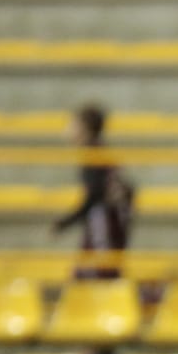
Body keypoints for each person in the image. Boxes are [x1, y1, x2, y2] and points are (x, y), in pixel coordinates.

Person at [51, 104, 133, 281]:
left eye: (72, 124)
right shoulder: (98, 151)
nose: (67, 129)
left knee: (96, 277)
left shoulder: (93, 154)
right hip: (109, 223)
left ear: (84, 127)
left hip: (104, 225)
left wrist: (65, 223)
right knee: (96, 275)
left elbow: (95, 195)